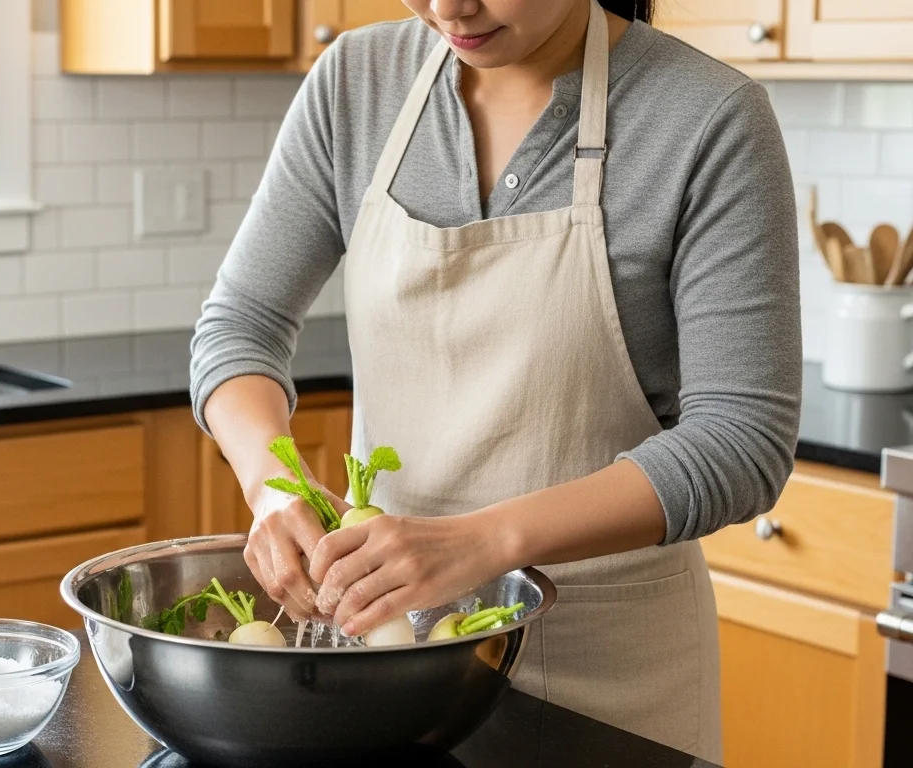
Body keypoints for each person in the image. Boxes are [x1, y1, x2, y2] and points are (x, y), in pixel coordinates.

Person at [188, 0, 801, 760]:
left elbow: (742, 443)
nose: (450, 7)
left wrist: (480, 544)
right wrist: (271, 484)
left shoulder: (708, 119)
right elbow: (240, 324)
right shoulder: (357, 82)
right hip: (391, 668)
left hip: (614, 682)